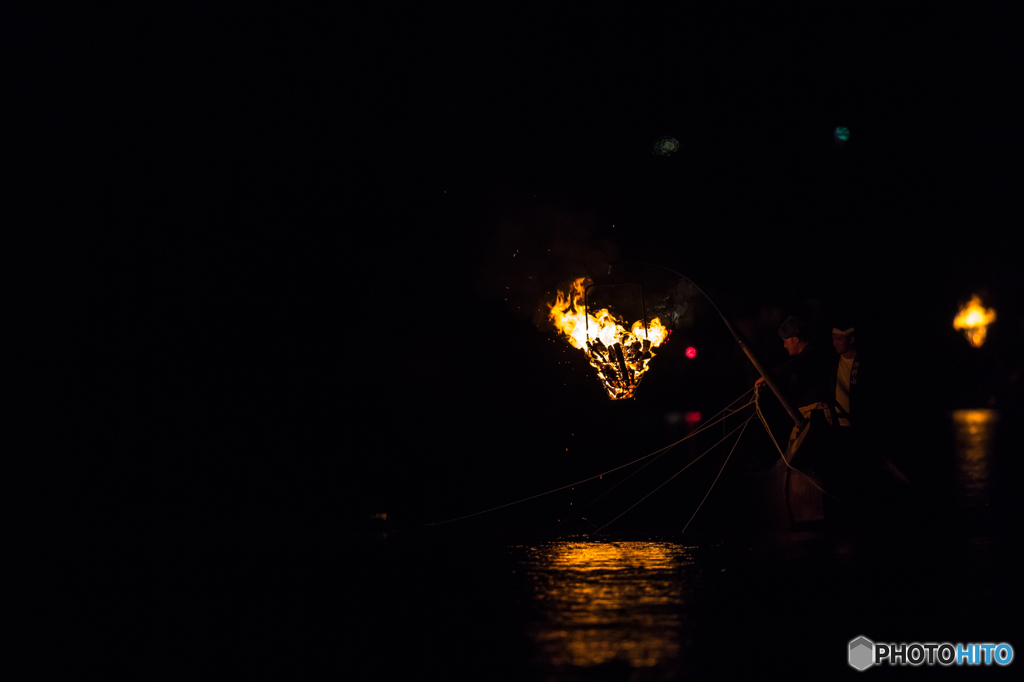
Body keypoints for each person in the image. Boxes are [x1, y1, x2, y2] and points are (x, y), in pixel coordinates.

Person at [755, 316, 835, 527]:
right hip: (804, 418)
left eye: (785, 340)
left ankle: (821, 507)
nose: (784, 344)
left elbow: (793, 365)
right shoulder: (804, 359)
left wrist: (767, 376)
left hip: (817, 419)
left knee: (812, 463)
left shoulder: (812, 354)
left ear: (796, 339)